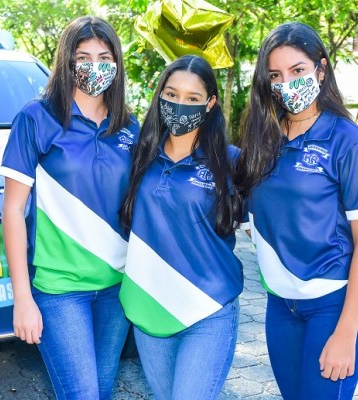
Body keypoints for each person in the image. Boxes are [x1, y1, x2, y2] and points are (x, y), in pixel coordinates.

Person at [235, 22, 358, 399]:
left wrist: (346, 332)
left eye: (297, 70)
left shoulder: (348, 141)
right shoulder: (262, 138)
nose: (287, 83)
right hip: (280, 306)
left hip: (334, 306)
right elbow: (252, 213)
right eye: (275, 75)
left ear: (321, 68)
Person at [0, 16, 139, 400]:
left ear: (117, 63)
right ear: (67, 61)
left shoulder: (129, 127)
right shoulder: (36, 118)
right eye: (83, 56)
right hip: (60, 291)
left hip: (117, 290)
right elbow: (12, 211)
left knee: (102, 391)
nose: (94, 65)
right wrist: (22, 299)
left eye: (104, 56)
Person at [119, 54, 244, 399]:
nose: (179, 105)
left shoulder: (230, 162)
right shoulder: (138, 155)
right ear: (159, 95)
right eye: (171, 95)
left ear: (210, 104)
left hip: (209, 308)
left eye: (192, 99)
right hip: (150, 306)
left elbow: (269, 223)